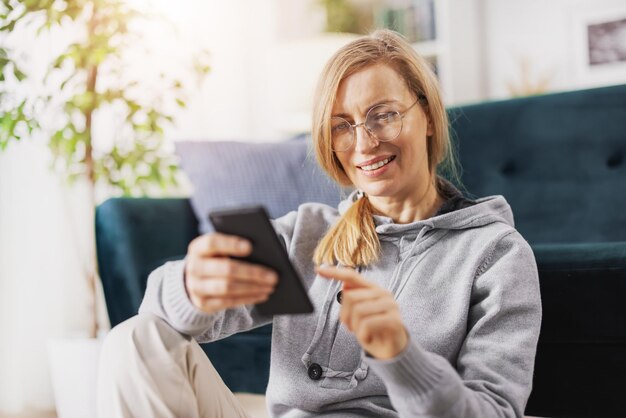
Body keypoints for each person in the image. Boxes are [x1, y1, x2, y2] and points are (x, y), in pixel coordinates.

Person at [97, 29, 541, 418]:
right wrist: (192, 287)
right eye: (342, 125)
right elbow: (155, 320)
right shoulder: (309, 232)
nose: (364, 142)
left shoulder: (495, 255)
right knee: (134, 339)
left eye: (383, 114)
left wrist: (402, 357)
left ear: (427, 115)